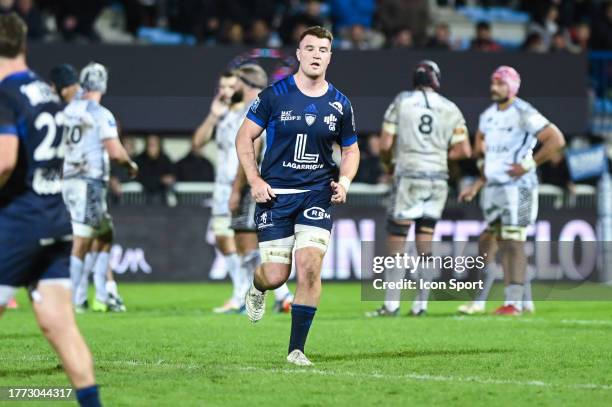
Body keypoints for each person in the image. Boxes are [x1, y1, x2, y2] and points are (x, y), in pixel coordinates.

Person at [236, 25, 360, 366]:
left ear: (329, 57)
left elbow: (351, 150)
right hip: (275, 195)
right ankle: (258, 286)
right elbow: (243, 138)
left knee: (309, 269)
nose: (317, 54)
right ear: (299, 54)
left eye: (323, 49)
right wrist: (254, 180)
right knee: (276, 275)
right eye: (311, 48)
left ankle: (296, 350)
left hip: (317, 195)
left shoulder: (340, 103)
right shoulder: (275, 95)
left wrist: (345, 182)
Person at [0, 13, 102, 406]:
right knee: (60, 327)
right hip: (56, 219)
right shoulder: (46, 92)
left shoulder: (6, 95)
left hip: (19, 223)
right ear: (24, 45)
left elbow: (5, 161)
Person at [366, 60, 471, 317]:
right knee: (425, 241)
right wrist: (436, 154)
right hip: (437, 177)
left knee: (397, 241)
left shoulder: (402, 101)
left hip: (409, 174)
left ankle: (391, 304)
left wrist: (390, 165)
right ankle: (421, 304)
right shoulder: (450, 107)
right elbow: (463, 150)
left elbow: (385, 144)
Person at [457, 66, 565, 316]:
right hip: (494, 187)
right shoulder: (487, 116)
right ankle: (496, 299)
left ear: (513, 86)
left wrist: (528, 164)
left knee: (513, 241)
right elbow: (480, 150)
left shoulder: (523, 112)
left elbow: (556, 139)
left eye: (500, 83)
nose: (494, 87)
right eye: (493, 83)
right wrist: (477, 184)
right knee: (489, 239)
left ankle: (513, 302)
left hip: (520, 188)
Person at [61, 62, 138, 313]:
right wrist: (129, 165)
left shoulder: (66, 111)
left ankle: (101, 295)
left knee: (104, 233)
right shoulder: (100, 113)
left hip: (66, 180)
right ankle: (75, 300)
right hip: (89, 181)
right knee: (82, 239)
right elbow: (115, 151)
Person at [228, 64, 294, 315]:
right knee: (254, 244)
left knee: (246, 244)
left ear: (245, 82)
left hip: (252, 186)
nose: (233, 87)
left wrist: (236, 189)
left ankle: (268, 295)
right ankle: (280, 296)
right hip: (271, 184)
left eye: (236, 82)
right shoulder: (275, 106)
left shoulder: (256, 110)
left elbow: (250, 153)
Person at [192, 71, 246, 313]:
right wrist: (213, 116)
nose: (225, 91)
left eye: (230, 86)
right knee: (223, 238)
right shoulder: (222, 116)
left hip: (243, 185)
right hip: (222, 187)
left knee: (248, 243)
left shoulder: (249, 114)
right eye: (222, 86)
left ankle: (277, 295)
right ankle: (241, 293)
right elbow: (197, 143)